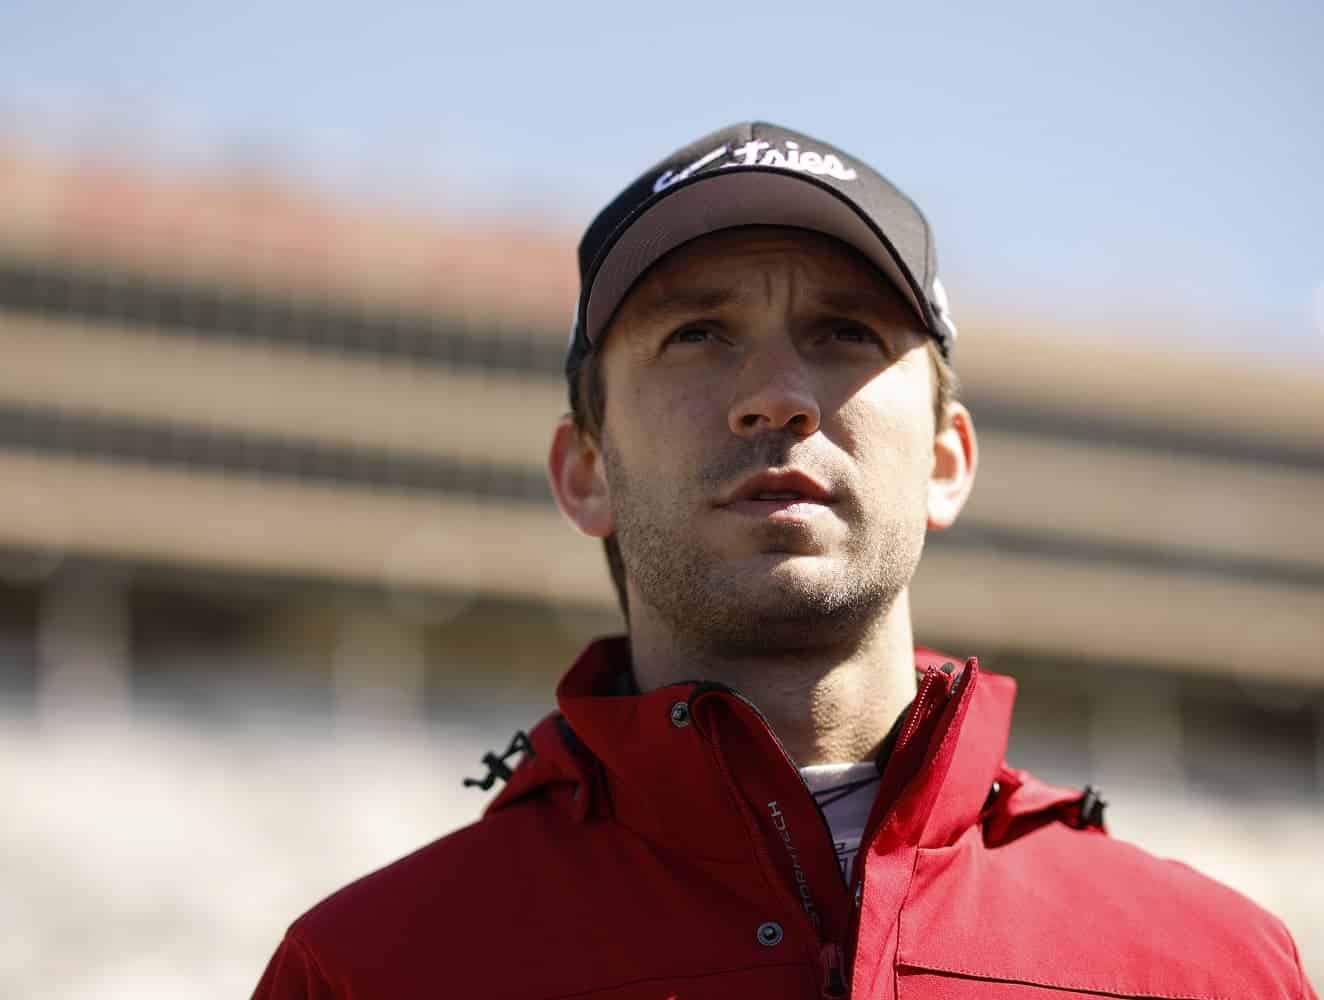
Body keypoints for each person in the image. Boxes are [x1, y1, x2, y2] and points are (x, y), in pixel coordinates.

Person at [251, 122, 1316, 999]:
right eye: (698, 335)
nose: (779, 394)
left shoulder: (1215, 971)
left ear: (948, 461)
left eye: (846, 331)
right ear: (585, 471)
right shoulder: (366, 973)